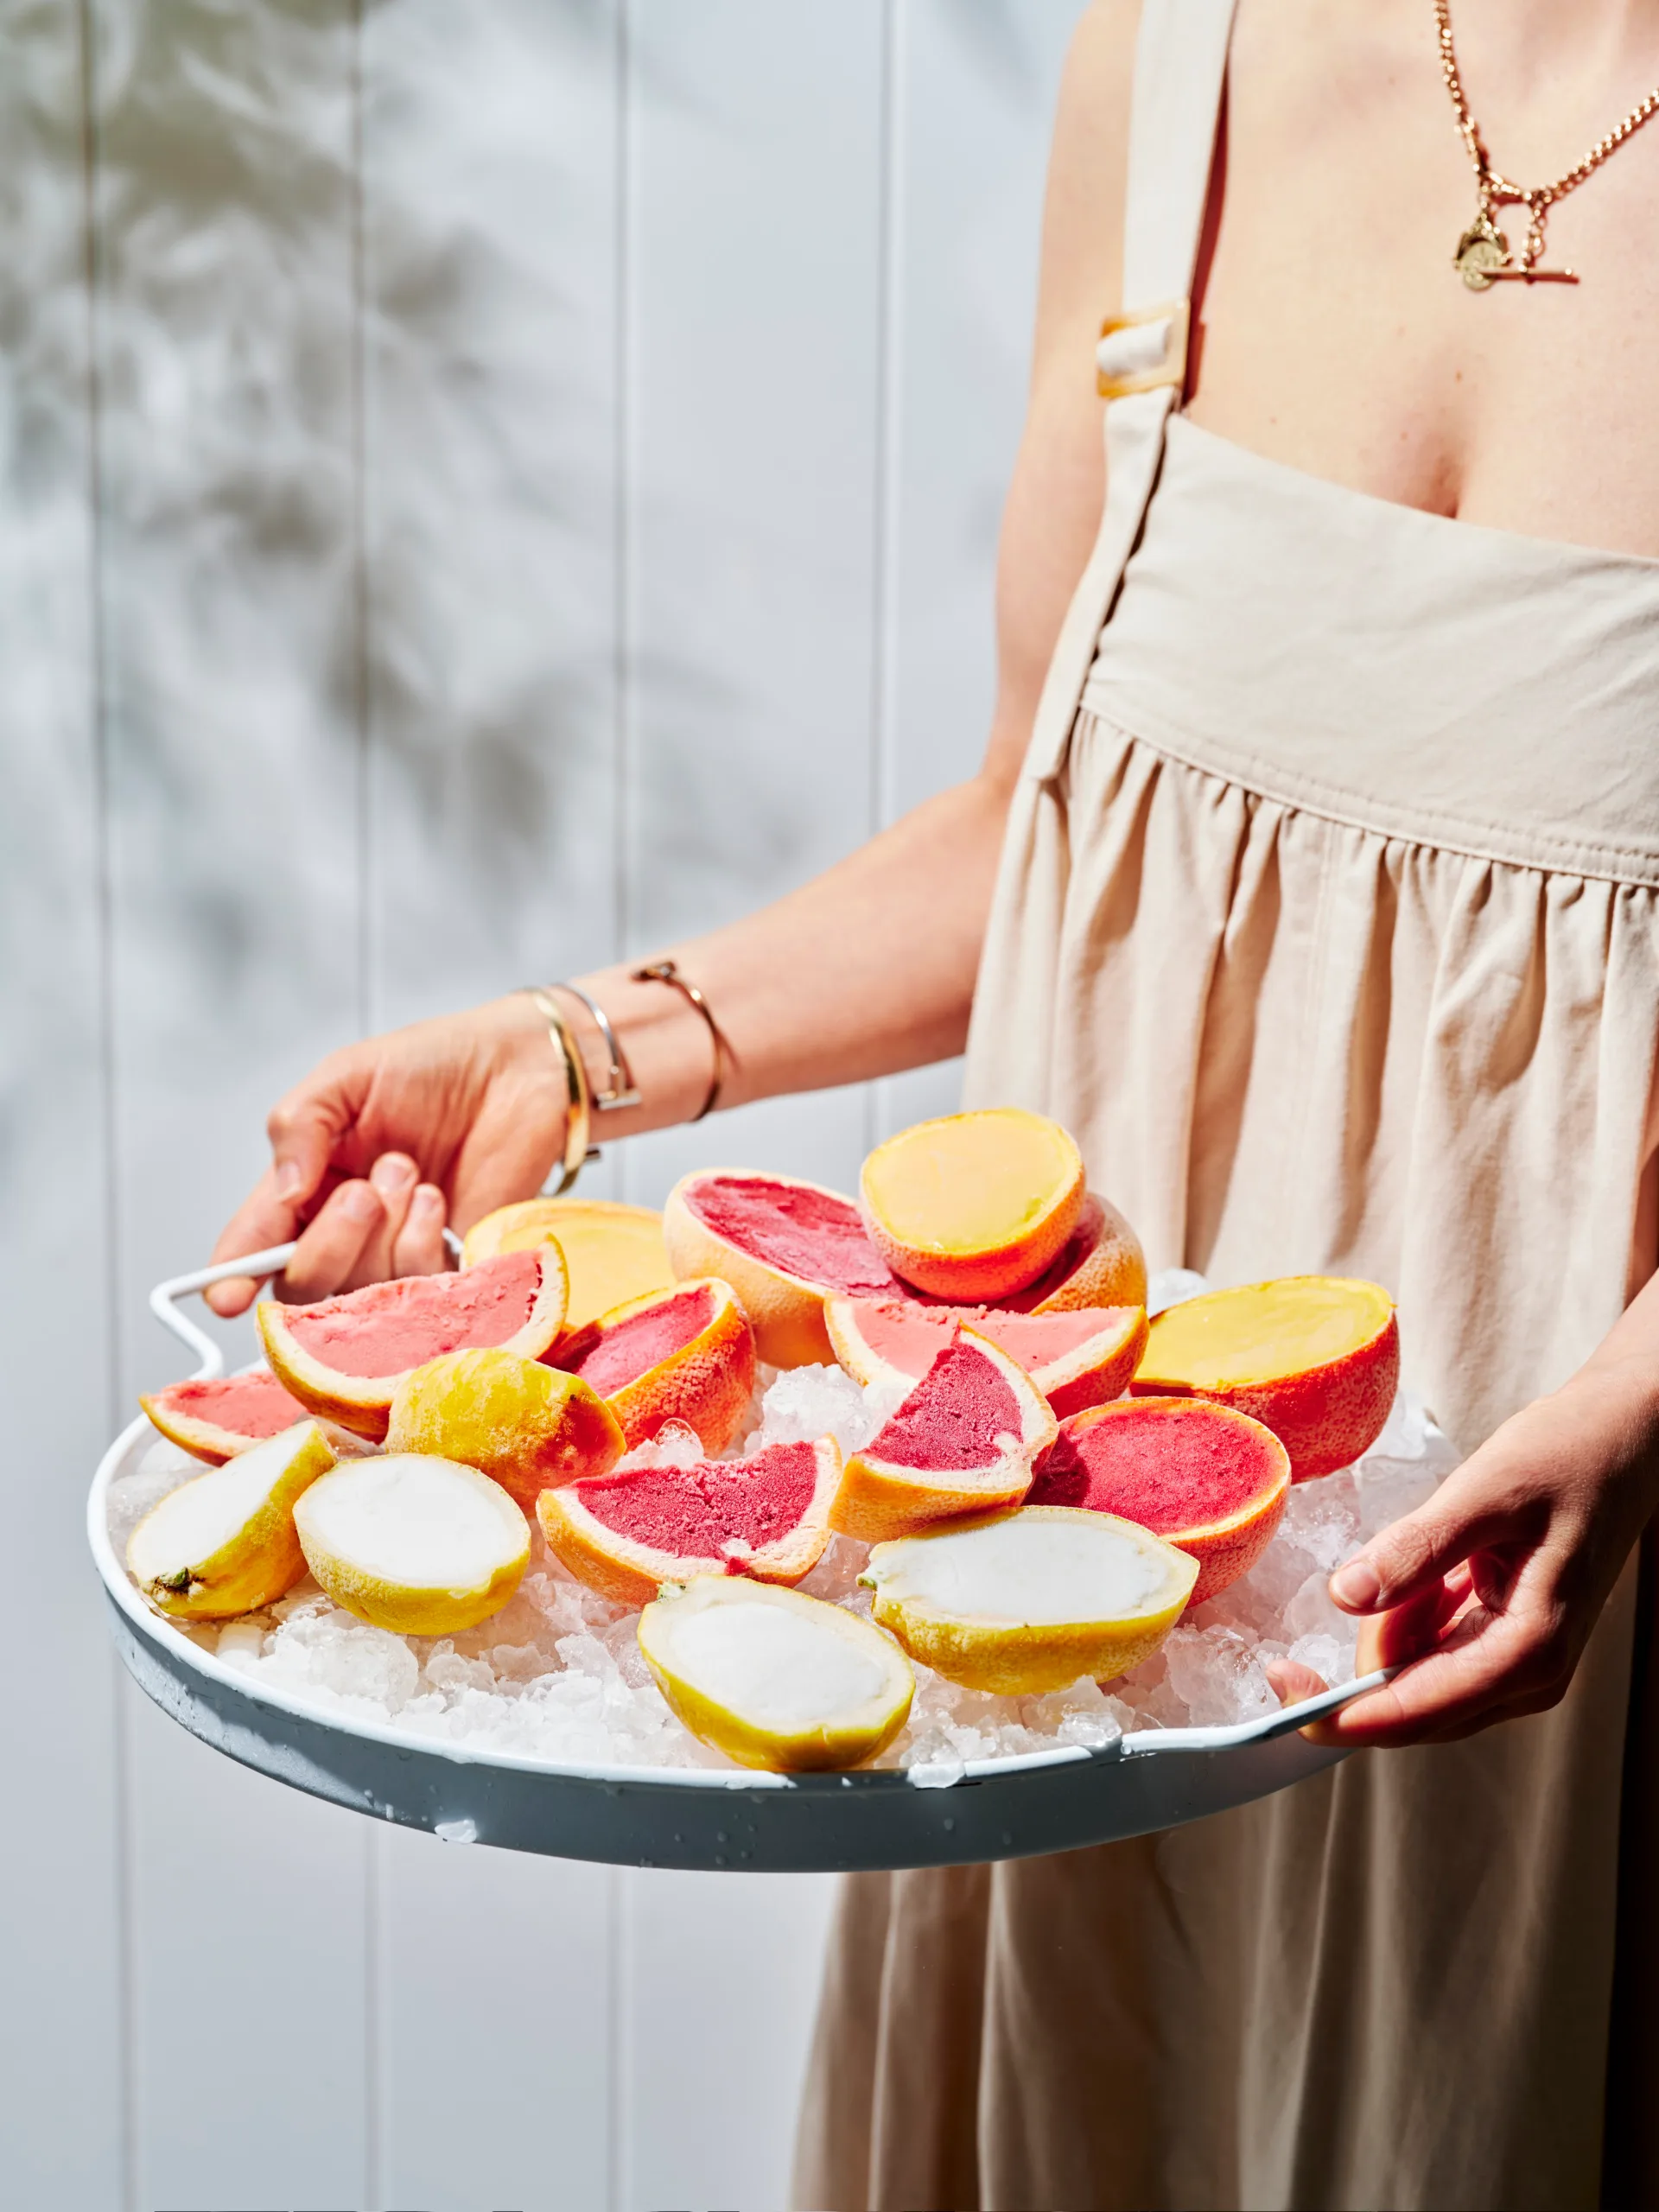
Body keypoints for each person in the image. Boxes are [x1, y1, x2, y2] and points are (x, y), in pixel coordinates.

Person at [209, 1, 1659, 2202]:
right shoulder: (1177, 60)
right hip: (1075, 1611)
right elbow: (1045, 827)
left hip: (1557, 1606)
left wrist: (1639, 1394)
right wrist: (569, 1046)